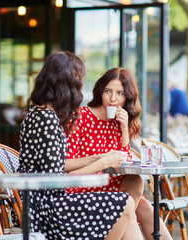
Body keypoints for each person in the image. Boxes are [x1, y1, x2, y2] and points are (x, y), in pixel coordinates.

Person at [18, 52, 143, 240]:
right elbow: (57, 179)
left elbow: (59, 164)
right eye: (79, 81)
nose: (80, 88)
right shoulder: (46, 118)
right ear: (67, 84)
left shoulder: (42, 114)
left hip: (43, 201)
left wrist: (99, 157)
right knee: (124, 204)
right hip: (45, 209)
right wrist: (102, 163)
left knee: (129, 204)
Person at [66, 67, 172, 240]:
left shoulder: (119, 122)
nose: (112, 98)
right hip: (81, 186)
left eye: (120, 93)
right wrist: (102, 161)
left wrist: (124, 129)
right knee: (135, 204)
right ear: (100, 91)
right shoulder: (80, 117)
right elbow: (68, 166)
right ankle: (117, 227)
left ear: (127, 98)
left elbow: (125, 162)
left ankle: (119, 224)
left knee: (137, 188)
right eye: (108, 91)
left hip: (106, 185)